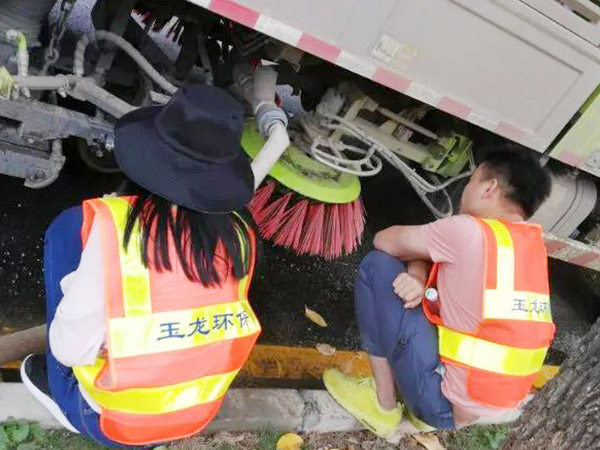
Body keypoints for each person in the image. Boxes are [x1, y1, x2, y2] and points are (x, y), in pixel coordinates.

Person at [20, 85, 262, 448]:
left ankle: (71, 400)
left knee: (70, 227)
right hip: (192, 415)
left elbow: (68, 350)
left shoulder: (113, 230)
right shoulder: (243, 234)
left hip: (115, 424)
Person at [323, 148, 556, 437]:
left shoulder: (469, 231)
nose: (465, 190)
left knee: (378, 266)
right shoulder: (530, 247)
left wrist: (414, 269)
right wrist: (418, 274)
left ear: (489, 187)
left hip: (439, 402)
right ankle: (419, 408)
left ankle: (382, 403)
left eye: (471, 181)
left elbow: (386, 241)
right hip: (472, 408)